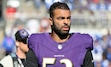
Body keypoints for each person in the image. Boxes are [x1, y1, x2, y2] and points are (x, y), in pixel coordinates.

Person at [25, 2, 94, 67]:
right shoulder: (37, 43)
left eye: (68, 18)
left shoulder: (81, 43)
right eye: (61, 18)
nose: (66, 22)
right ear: (51, 21)